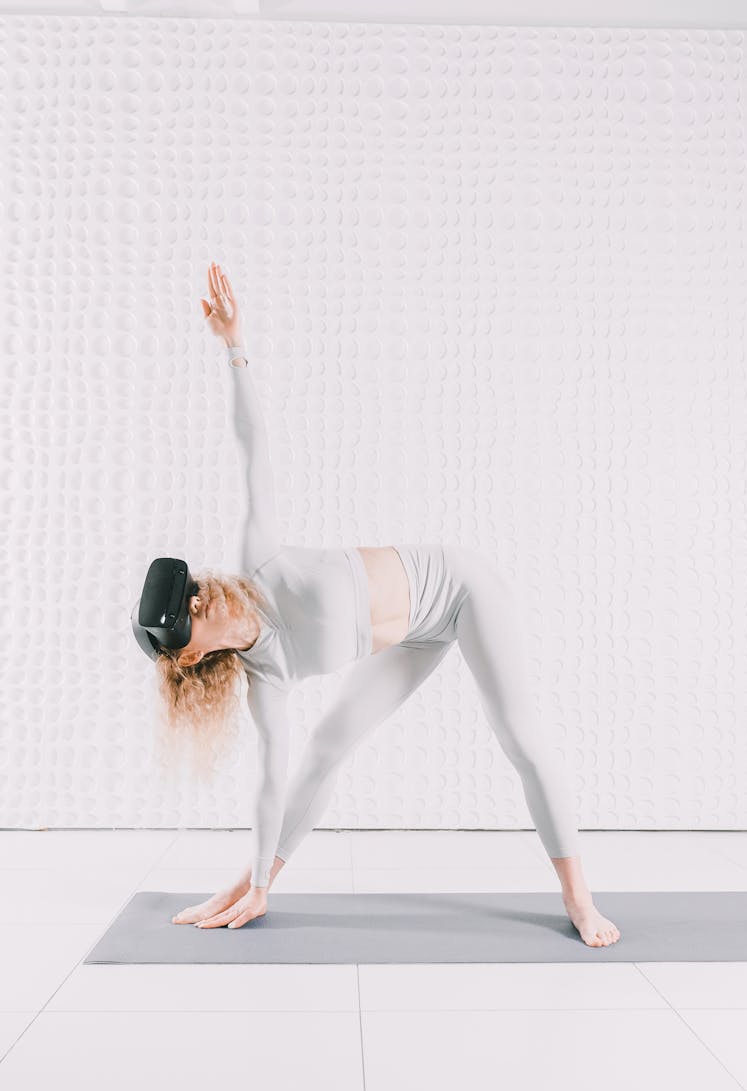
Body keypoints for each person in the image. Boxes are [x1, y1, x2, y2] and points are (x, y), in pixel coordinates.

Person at [168, 261, 620, 948]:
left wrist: (234, 345)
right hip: (415, 637)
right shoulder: (268, 679)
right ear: (193, 651)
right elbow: (271, 779)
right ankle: (256, 881)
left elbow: (252, 447)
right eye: (187, 609)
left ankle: (581, 899)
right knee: (324, 746)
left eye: (188, 586)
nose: (198, 592)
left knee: (520, 738)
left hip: (461, 587)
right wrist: (257, 879)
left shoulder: (257, 562)